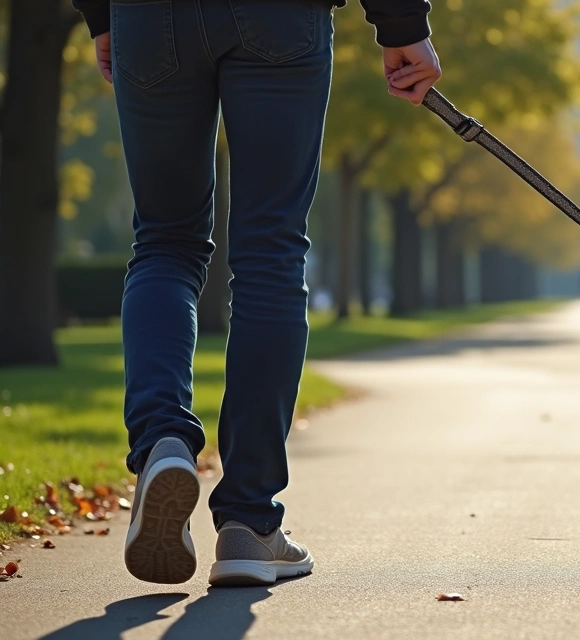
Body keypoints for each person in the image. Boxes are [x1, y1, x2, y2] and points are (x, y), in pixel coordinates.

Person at [71, 0, 441, 587]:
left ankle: (161, 439)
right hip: (279, 18)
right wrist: (401, 25)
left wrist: (101, 15)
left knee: (166, 242)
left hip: (149, 17)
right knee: (270, 253)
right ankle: (248, 523)